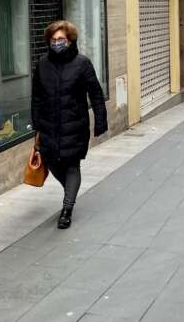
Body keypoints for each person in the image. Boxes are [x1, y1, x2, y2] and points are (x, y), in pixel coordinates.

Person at [31, 20, 107, 229]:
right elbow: (36, 96)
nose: (57, 43)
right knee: (54, 163)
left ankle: (67, 209)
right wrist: (36, 123)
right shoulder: (42, 64)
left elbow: (96, 94)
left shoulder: (82, 63)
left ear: (70, 40)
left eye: (61, 39)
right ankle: (70, 191)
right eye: (54, 39)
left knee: (72, 164)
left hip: (75, 125)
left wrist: (100, 121)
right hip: (49, 126)